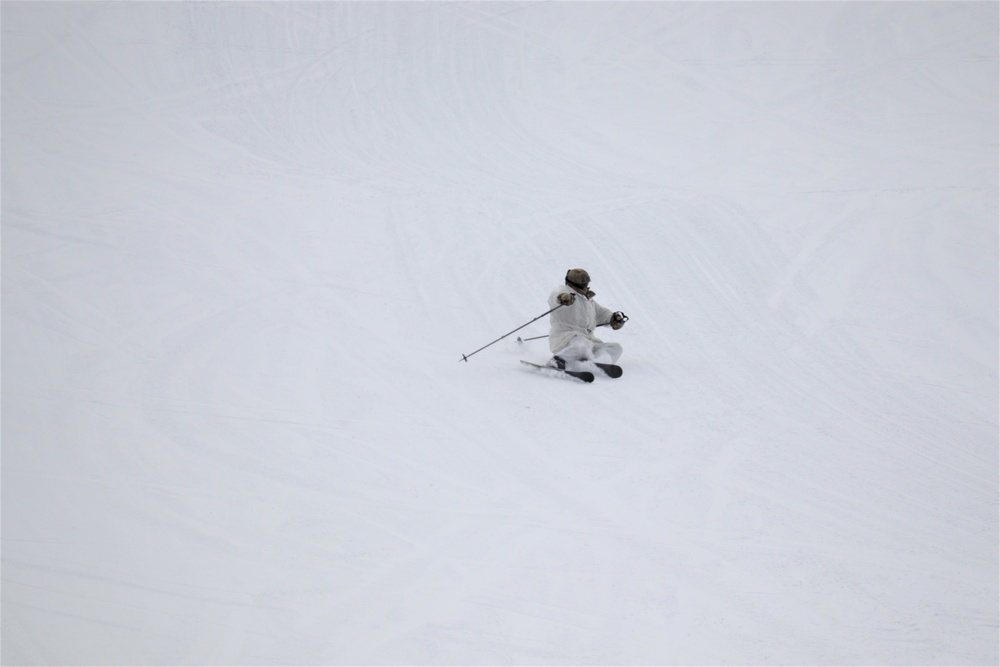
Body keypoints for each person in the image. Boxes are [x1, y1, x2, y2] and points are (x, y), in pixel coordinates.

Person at [547, 268, 627, 368]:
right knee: (582, 345)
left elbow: (601, 313)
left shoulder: (588, 300)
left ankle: (598, 363)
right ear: (571, 283)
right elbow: (554, 297)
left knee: (616, 347)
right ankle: (558, 361)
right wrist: (563, 298)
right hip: (566, 339)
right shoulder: (564, 291)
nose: (585, 286)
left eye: (586, 283)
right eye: (582, 283)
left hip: (589, 340)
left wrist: (613, 319)